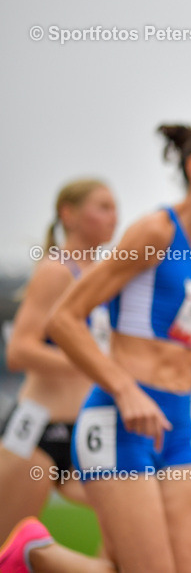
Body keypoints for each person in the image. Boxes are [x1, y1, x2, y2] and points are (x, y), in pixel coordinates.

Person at [2, 120, 191, 573]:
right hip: (119, 421)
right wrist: (124, 388)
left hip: (176, 428)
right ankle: (32, 552)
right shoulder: (155, 232)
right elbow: (64, 320)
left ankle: (33, 554)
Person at [0, 179, 116, 543]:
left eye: (115, 207)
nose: (115, 217)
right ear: (69, 214)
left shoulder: (104, 274)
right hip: (39, 429)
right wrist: (93, 362)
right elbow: (19, 351)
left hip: (88, 430)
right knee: (7, 545)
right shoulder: (56, 270)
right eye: (103, 207)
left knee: (130, 532)